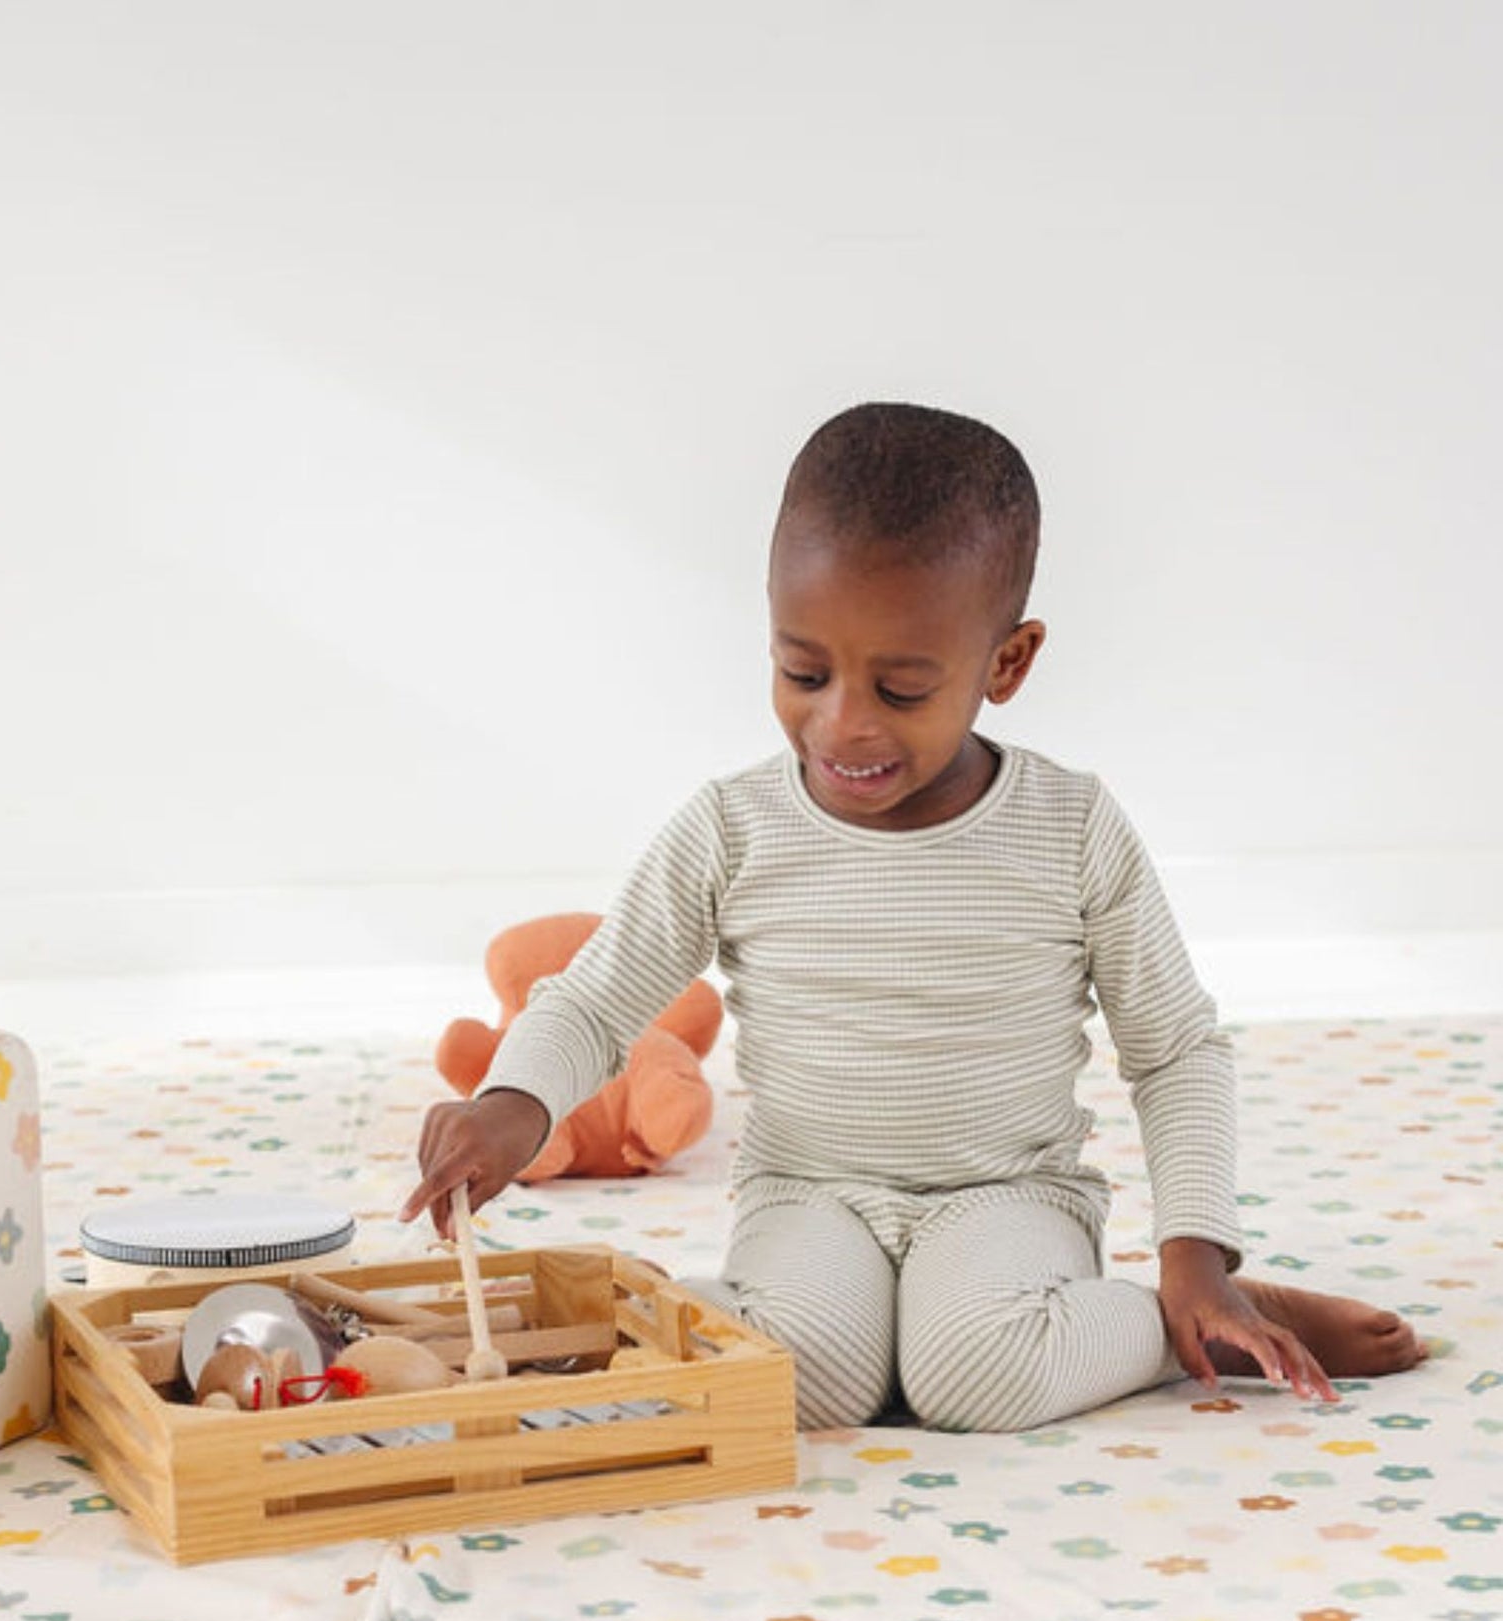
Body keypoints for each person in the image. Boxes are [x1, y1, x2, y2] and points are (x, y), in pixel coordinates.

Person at [401, 402, 1424, 1432]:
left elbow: (1175, 1053)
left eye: (899, 689)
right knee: (808, 1380)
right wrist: (513, 1103)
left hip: (1006, 1194)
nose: (842, 722)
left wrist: (1193, 1255)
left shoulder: (1069, 826)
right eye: (803, 673)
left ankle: (1183, 1324)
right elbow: (592, 1001)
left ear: (1005, 664)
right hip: (809, 1192)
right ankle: (668, 1322)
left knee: (977, 1376)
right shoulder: (733, 826)